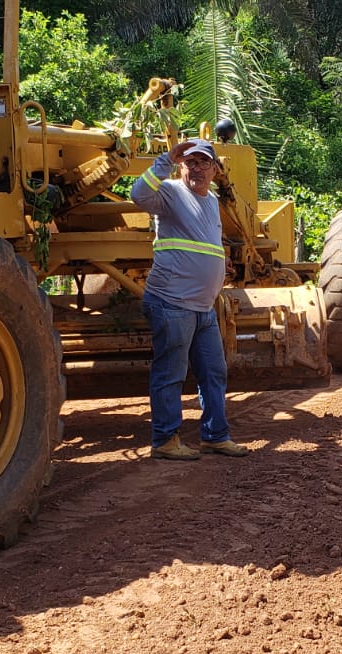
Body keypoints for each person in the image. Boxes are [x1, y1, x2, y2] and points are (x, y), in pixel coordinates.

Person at [130, 137, 250, 460]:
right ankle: (165, 440)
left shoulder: (211, 201)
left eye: (203, 162)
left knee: (214, 371)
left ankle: (215, 435)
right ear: (182, 166)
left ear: (214, 168)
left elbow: (206, 244)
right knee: (170, 373)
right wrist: (166, 159)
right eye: (190, 162)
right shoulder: (170, 192)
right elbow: (137, 194)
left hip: (202, 307)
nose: (196, 168)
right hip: (172, 303)